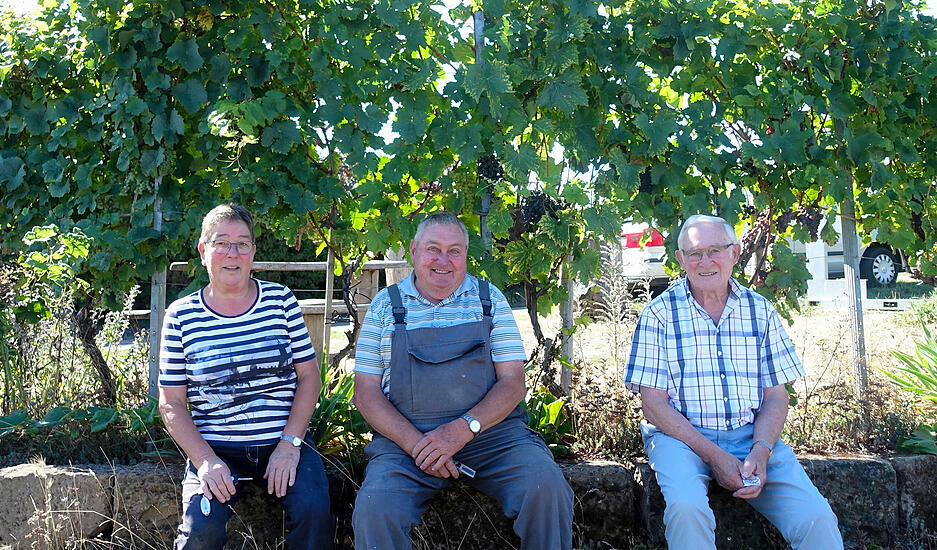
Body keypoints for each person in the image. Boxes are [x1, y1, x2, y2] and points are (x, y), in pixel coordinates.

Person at [351, 212, 574, 550]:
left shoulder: (489, 301)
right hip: (408, 445)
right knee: (375, 508)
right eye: (433, 249)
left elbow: (513, 382)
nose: (444, 260)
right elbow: (366, 393)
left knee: (546, 488)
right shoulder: (385, 306)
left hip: (492, 436)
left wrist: (462, 429)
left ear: (466, 255)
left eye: (455, 251)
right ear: (413, 251)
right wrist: (419, 446)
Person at [623, 214, 843, 549]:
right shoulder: (659, 314)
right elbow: (653, 405)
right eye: (694, 253)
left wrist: (762, 449)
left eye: (715, 250)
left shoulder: (761, 311)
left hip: (750, 434)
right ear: (680, 259)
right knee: (686, 508)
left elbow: (775, 396)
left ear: (735, 253)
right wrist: (714, 455)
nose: (705, 261)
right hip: (680, 438)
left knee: (816, 518)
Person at [157, 204, 333, 549]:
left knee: (315, 515)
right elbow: (172, 403)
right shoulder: (181, 316)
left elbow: (310, 377)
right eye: (221, 243)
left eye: (242, 243)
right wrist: (205, 461)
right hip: (216, 449)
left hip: (283, 441)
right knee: (199, 533)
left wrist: (290, 444)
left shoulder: (280, 300)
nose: (232, 253)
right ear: (203, 251)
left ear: (253, 251)